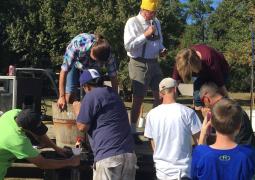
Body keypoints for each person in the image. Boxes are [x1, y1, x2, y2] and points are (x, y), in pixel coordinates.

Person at [73, 69, 136, 180]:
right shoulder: (113, 94)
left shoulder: (91, 96)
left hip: (108, 157)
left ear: (86, 86)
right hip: (129, 155)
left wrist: (78, 111)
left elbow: (82, 127)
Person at [199, 82, 255, 180]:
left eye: (202, 102)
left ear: (206, 99)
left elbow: (226, 141)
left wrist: (205, 132)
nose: (205, 106)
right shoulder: (230, 107)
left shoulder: (224, 111)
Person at [124, 0, 167, 143]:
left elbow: (159, 41)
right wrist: (145, 35)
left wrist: (162, 49)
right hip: (138, 63)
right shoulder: (133, 22)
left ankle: (153, 129)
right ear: (143, 10)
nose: (154, 15)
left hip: (154, 62)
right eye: (151, 13)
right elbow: (128, 46)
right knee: (138, 98)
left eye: (155, 13)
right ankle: (132, 130)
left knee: (161, 95)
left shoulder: (156, 22)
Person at [144, 77, 202, 180]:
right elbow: (200, 143)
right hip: (183, 172)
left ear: (161, 93)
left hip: (161, 173)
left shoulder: (151, 114)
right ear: (175, 89)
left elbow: (153, 146)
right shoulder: (188, 112)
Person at [0, 109, 80, 179]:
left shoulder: (15, 113)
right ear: (25, 129)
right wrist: (70, 162)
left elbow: (40, 135)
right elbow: (42, 163)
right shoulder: (17, 141)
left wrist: (56, 148)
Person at [191, 98, 255, 180]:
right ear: (239, 126)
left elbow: (195, 175)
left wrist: (203, 134)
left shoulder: (201, 153)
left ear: (212, 124)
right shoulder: (248, 153)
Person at [58, 33, 118, 110]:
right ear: (91, 51)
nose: (99, 63)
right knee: (70, 95)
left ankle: (91, 116)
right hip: (75, 63)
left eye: (100, 62)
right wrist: (61, 97)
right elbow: (64, 71)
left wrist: (116, 100)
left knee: (95, 94)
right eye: (95, 59)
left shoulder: (109, 55)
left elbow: (113, 77)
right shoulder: (77, 45)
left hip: (92, 68)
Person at [172, 45, 230, 110]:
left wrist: (229, 103)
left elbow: (221, 86)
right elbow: (174, 84)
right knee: (197, 97)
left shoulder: (210, 60)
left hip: (221, 70)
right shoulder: (181, 61)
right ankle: (198, 112)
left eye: (190, 71)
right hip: (202, 72)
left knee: (214, 97)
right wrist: (171, 104)